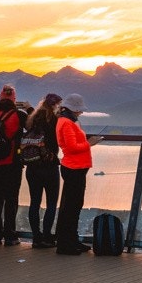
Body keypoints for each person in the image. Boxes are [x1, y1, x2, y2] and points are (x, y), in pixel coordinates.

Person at [0, 84, 27, 245]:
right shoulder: (18, 115)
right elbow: (33, 126)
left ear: (0, 98)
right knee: (11, 199)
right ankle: (10, 235)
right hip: (11, 163)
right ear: (14, 99)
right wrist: (28, 108)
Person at [55, 92, 95, 255]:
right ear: (72, 109)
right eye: (79, 109)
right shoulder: (66, 123)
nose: (81, 112)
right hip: (74, 169)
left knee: (73, 206)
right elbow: (71, 147)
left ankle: (71, 240)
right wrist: (89, 143)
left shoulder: (66, 121)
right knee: (71, 207)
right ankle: (66, 244)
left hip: (76, 168)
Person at [22, 92, 63, 248]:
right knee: (51, 203)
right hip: (50, 167)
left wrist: (29, 109)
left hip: (32, 167)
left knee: (34, 203)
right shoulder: (55, 120)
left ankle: (36, 238)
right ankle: (47, 237)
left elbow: (33, 119)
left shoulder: (33, 119)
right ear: (54, 105)